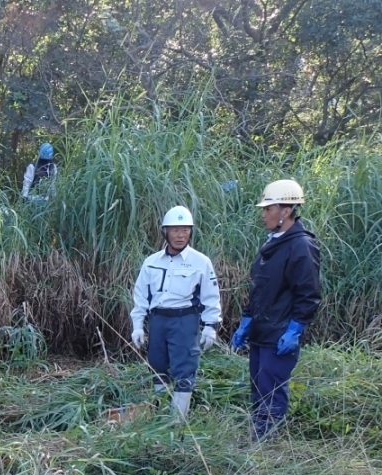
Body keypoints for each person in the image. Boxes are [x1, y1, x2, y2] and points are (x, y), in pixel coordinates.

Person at [230, 179, 321, 440]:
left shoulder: (301, 246)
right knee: (258, 387)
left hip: (280, 334)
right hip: (261, 330)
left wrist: (295, 330)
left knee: (271, 391)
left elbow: (309, 294)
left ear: (286, 210)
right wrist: (247, 320)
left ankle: (266, 447)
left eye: (268, 209)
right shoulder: (272, 243)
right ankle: (256, 438)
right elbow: (261, 288)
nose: (263, 215)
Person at [129, 205, 221, 419]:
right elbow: (140, 295)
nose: (180, 235)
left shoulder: (200, 262)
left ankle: (178, 422)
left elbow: (211, 296)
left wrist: (210, 326)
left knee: (184, 368)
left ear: (191, 232)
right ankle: (161, 418)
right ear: (165, 232)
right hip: (158, 320)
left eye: (185, 230)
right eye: (175, 230)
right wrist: (137, 325)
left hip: (185, 320)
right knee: (157, 366)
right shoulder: (151, 262)